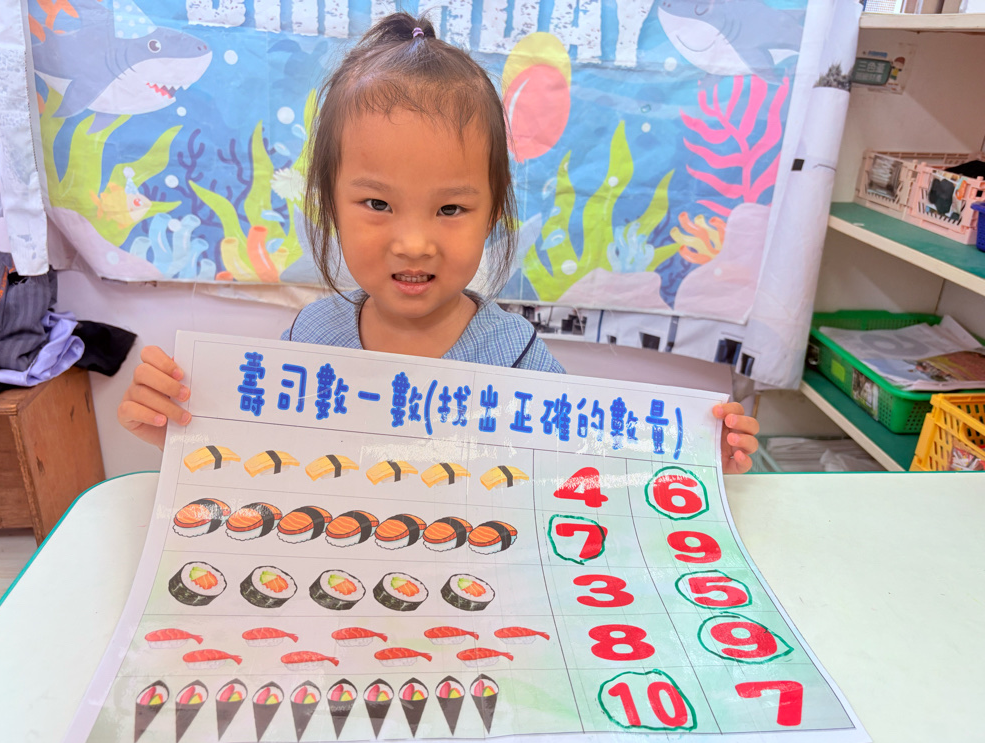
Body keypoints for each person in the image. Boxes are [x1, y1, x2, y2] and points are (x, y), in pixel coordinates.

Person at [118, 13, 760, 473]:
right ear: (331, 206)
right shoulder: (310, 339)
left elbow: (577, 472)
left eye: (451, 208)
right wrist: (178, 430)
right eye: (377, 205)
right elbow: (262, 459)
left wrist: (701, 465)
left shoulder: (514, 356)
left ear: (493, 214)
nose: (415, 243)